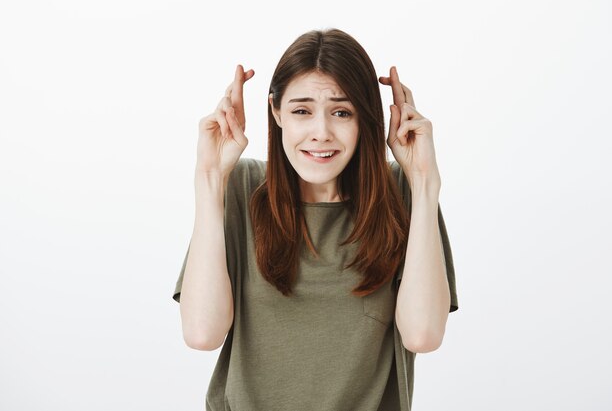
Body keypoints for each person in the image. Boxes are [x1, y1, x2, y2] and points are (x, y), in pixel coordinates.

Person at [172, 28, 459, 411]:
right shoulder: (241, 185)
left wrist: (423, 182)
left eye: (341, 112)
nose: (320, 133)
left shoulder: (402, 193)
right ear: (276, 112)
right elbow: (202, 333)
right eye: (301, 111)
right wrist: (210, 179)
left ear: (365, 119)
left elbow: (423, 335)